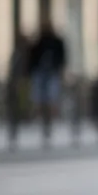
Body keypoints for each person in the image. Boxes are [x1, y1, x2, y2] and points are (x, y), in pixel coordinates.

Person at [27, 18, 67, 146]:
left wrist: (60, 69)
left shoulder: (56, 41)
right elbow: (32, 58)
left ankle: (49, 120)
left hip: (51, 72)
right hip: (40, 72)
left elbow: (62, 57)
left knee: (51, 97)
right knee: (40, 97)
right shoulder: (38, 42)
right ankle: (40, 119)